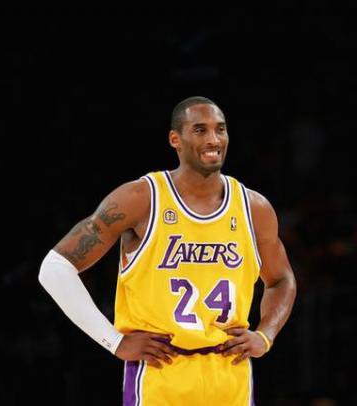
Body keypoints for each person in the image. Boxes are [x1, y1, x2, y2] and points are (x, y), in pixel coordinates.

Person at [38, 96, 297, 405]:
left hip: (231, 376)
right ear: (175, 139)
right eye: (200, 130)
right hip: (160, 374)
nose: (213, 139)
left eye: (220, 129)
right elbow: (54, 269)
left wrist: (265, 336)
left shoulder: (254, 208)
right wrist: (114, 341)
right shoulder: (141, 198)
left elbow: (281, 280)